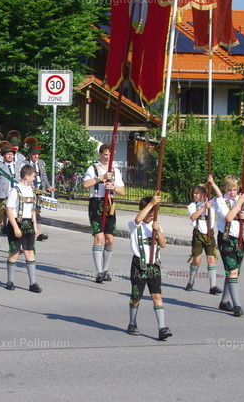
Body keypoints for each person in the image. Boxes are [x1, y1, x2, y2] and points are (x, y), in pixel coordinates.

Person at [126, 192, 171, 341]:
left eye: (153, 214)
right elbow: (138, 219)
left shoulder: (155, 225)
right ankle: (132, 322)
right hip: (139, 265)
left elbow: (163, 244)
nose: (151, 216)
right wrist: (151, 203)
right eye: (149, 213)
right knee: (136, 296)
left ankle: (162, 327)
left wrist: (158, 232)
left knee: (157, 296)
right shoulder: (134, 225)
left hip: (154, 266)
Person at [210, 175, 244, 316]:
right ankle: (237, 306)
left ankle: (224, 301)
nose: (232, 192)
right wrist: (238, 203)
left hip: (240, 240)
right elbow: (228, 217)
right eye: (229, 190)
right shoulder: (220, 201)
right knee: (232, 271)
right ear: (225, 189)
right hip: (226, 240)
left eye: (234, 190)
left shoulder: (243, 203)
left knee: (233, 272)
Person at [83, 144, 125, 283]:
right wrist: (101, 178)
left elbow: (122, 191)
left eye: (110, 154)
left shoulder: (115, 171)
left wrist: (113, 187)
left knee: (110, 239)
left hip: (109, 205)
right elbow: (86, 184)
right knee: (98, 237)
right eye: (105, 154)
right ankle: (99, 271)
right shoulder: (93, 168)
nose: (107, 157)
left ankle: (106, 269)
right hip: (96, 204)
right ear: (100, 154)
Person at [4, 164, 41, 293]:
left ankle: (32, 283)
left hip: (28, 223)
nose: (34, 179)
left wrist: (35, 226)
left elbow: (32, 210)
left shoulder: (31, 190)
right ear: (26, 176)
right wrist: (15, 228)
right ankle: (10, 280)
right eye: (33, 176)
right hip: (16, 223)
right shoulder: (15, 190)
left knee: (30, 252)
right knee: (14, 252)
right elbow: (9, 210)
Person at [185, 182, 221, 294]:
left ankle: (213, 286)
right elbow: (193, 216)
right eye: (194, 193)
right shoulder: (193, 205)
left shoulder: (212, 203)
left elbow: (220, 196)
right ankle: (191, 281)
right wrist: (203, 208)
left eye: (197, 193)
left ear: (204, 195)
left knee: (211, 259)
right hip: (198, 235)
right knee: (196, 260)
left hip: (209, 235)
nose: (194, 195)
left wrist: (212, 183)